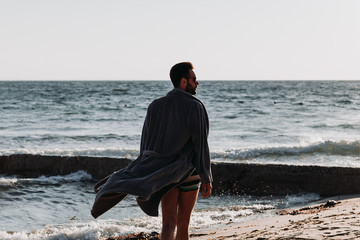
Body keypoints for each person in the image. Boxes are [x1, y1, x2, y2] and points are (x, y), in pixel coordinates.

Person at [91, 62, 212, 240]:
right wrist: (206, 176)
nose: (197, 82)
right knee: (183, 224)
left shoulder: (155, 105)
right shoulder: (195, 106)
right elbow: (200, 144)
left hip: (163, 174)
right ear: (183, 82)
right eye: (194, 79)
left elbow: (146, 145)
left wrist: (145, 169)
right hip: (188, 171)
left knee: (168, 223)